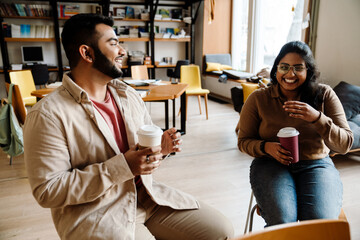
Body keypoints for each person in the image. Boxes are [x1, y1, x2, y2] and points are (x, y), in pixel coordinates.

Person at [24, 14, 234, 240]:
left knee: (222, 232)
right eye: (113, 43)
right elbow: (47, 192)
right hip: (96, 212)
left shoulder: (128, 95)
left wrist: (160, 151)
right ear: (87, 53)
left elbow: (140, 158)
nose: (123, 51)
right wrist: (123, 166)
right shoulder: (47, 114)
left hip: (148, 197)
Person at [237, 41, 353, 226]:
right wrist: (266, 147)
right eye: (284, 67)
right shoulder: (259, 99)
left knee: (318, 224)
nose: (290, 74)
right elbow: (243, 141)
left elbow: (345, 144)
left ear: (308, 71)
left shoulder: (324, 95)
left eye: (298, 68)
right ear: (276, 70)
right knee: (283, 222)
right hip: (270, 165)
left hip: (317, 165)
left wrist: (317, 118)